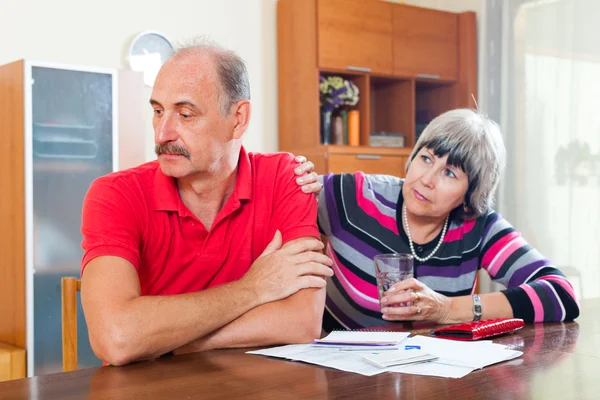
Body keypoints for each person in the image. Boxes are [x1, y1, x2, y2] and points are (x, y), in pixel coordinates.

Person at [79, 40, 333, 366]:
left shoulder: (288, 177)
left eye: (185, 114)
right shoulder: (114, 194)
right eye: (158, 111)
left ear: (238, 118)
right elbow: (116, 338)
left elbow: (302, 321)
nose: (162, 134)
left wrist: (172, 343)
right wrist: (253, 289)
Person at [294, 108, 580, 331]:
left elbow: (561, 294)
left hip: (431, 379)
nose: (427, 180)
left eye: (450, 173)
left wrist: (447, 309)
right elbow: (272, 205)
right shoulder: (353, 196)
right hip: (338, 375)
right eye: (427, 158)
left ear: (471, 195)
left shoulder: (479, 228)